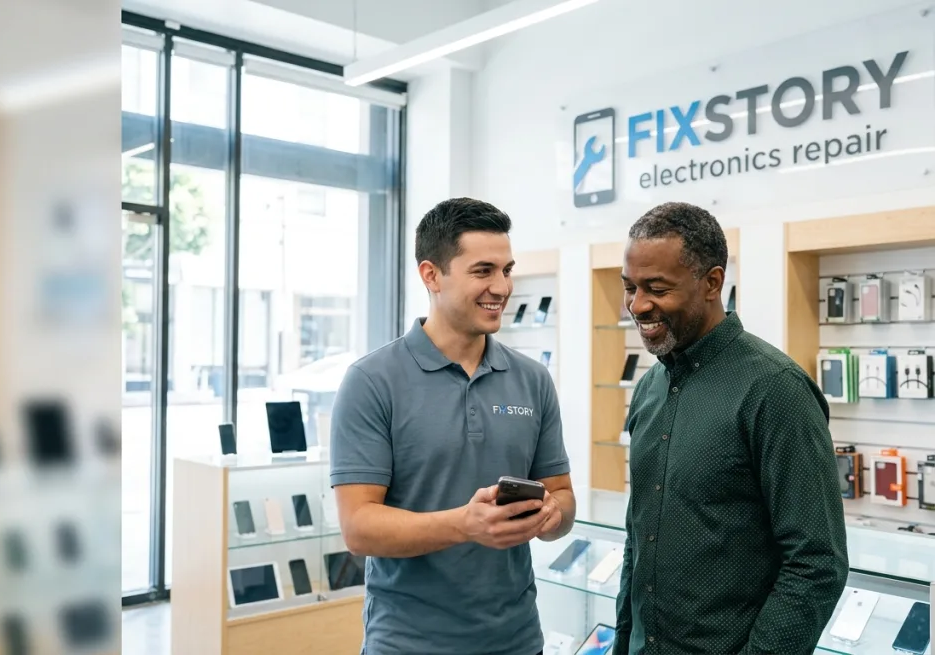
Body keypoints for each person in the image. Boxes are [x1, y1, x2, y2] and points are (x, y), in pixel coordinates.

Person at [329, 197, 575, 655]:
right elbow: (359, 528)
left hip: (517, 641)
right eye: (483, 271)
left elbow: (561, 495)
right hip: (408, 645)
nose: (502, 286)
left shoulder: (533, 380)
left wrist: (551, 515)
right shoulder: (371, 381)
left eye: (507, 270)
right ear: (431, 275)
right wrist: (465, 524)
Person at [614, 202, 849, 654]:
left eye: (656, 288)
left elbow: (816, 563)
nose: (638, 305)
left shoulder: (775, 390)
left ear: (713, 282)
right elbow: (637, 538)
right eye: (629, 287)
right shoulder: (649, 388)